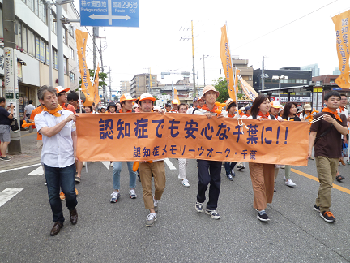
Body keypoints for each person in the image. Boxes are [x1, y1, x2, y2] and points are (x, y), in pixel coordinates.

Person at [34, 85, 78, 236]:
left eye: (54, 96)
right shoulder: (39, 117)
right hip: (50, 161)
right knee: (53, 196)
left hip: (67, 159)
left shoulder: (67, 113)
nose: (53, 100)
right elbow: (50, 132)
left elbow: (74, 134)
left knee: (70, 192)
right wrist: (65, 121)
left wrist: (77, 152)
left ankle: (72, 209)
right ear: (42, 101)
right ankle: (58, 220)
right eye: (49, 98)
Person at [309, 91, 348, 223]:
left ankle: (318, 202)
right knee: (326, 181)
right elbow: (312, 133)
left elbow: (344, 131)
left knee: (329, 181)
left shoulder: (341, 116)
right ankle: (325, 209)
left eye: (338, 99)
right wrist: (309, 150)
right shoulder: (318, 116)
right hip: (322, 152)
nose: (336, 101)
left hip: (335, 152)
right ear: (325, 102)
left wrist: (333, 121)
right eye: (333, 99)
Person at [194, 85, 222, 220]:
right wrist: (204, 117)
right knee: (204, 180)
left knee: (216, 181)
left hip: (218, 151)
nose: (211, 95)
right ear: (204, 98)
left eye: (213, 93)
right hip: (202, 150)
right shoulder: (197, 113)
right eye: (208, 94)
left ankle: (212, 207)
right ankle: (200, 199)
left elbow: (237, 123)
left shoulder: (223, 114)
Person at [138, 93, 166, 227]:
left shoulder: (159, 115)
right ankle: (152, 211)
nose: (147, 105)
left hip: (157, 157)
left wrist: (163, 114)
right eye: (145, 103)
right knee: (146, 188)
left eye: (150, 102)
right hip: (142, 158)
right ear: (140, 105)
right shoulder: (133, 118)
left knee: (160, 186)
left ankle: (156, 199)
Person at [248, 94, 277, 222]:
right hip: (255, 155)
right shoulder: (250, 118)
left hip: (269, 155)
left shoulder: (273, 118)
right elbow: (240, 131)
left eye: (269, 102)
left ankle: (259, 203)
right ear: (258, 105)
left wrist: (281, 124)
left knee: (268, 181)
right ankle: (261, 210)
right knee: (258, 181)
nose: (268, 104)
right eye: (265, 102)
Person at [110, 93, 138, 203]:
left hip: (131, 146)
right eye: (129, 102)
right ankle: (116, 190)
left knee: (133, 170)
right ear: (122, 104)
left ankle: (132, 189)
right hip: (118, 147)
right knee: (116, 168)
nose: (131, 104)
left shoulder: (136, 114)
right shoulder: (115, 115)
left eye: (132, 102)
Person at [280, 102, 299, 188]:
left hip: (292, 142)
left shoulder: (297, 119)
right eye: (292, 107)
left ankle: (287, 178)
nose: (295, 109)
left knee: (289, 160)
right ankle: (273, 179)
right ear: (288, 109)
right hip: (281, 142)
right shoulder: (282, 118)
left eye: (295, 107)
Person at [335, 94, 349, 182]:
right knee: (336, 153)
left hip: (344, 133)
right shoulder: (335, 110)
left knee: (343, 149)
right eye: (342, 99)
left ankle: (341, 159)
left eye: (345, 99)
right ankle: (337, 173)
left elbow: (345, 123)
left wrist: (345, 135)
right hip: (335, 134)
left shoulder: (346, 110)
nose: (344, 100)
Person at [224, 98, 237, 181]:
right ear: (228, 108)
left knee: (236, 157)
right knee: (226, 157)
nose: (234, 108)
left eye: (235, 106)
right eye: (232, 106)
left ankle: (231, 168)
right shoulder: (224, 116)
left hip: (235, 139)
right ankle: (228, 173)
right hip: (225, 139)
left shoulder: (237, 116)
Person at [177, 103, 190, 187]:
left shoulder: (190, 118)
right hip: (178, 142)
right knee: (182, 161)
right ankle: (183, 179)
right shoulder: (174, 118)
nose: (183, 110)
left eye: (185, 109)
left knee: (186, 161)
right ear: (178, 110)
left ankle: (181, 174)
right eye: (181, 109)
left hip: (188, 142)